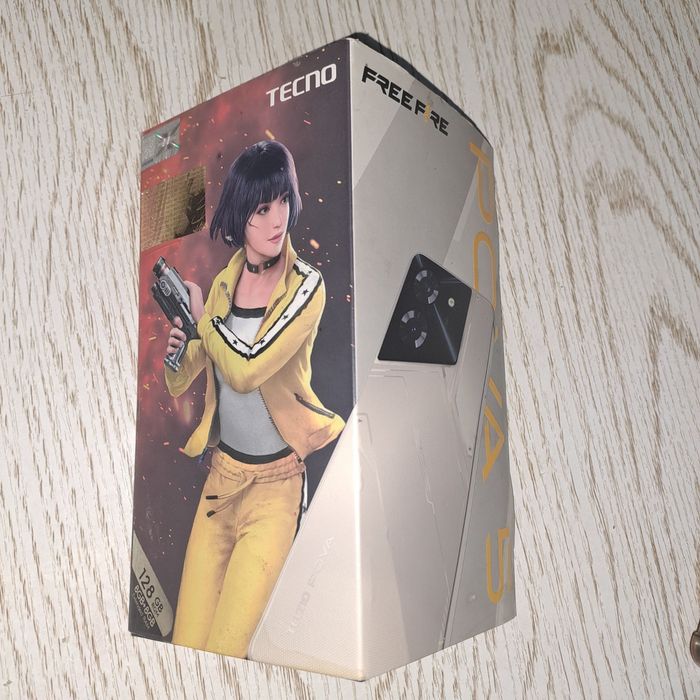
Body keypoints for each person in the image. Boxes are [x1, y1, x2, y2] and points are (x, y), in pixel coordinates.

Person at [163, 140, 345, 658]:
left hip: (275, 490)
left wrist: (205, 324)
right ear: (240, 215)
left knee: (228, 649)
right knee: (187, 645)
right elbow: (189, 375)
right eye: (262, 208)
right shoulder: (224, 283)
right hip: (220, 484)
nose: (277, 219)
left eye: (283, 200)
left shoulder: (306, 285)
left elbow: (245, 370)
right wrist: (178, 351)